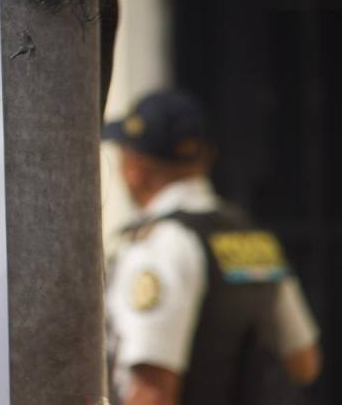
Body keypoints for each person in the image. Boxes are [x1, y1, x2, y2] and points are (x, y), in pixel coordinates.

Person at [103, 89, 321, 405]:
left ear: (135, 168)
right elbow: (304, 363)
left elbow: (153, 390)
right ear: (205, 157)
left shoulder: (163, 243)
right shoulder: (250, 236)